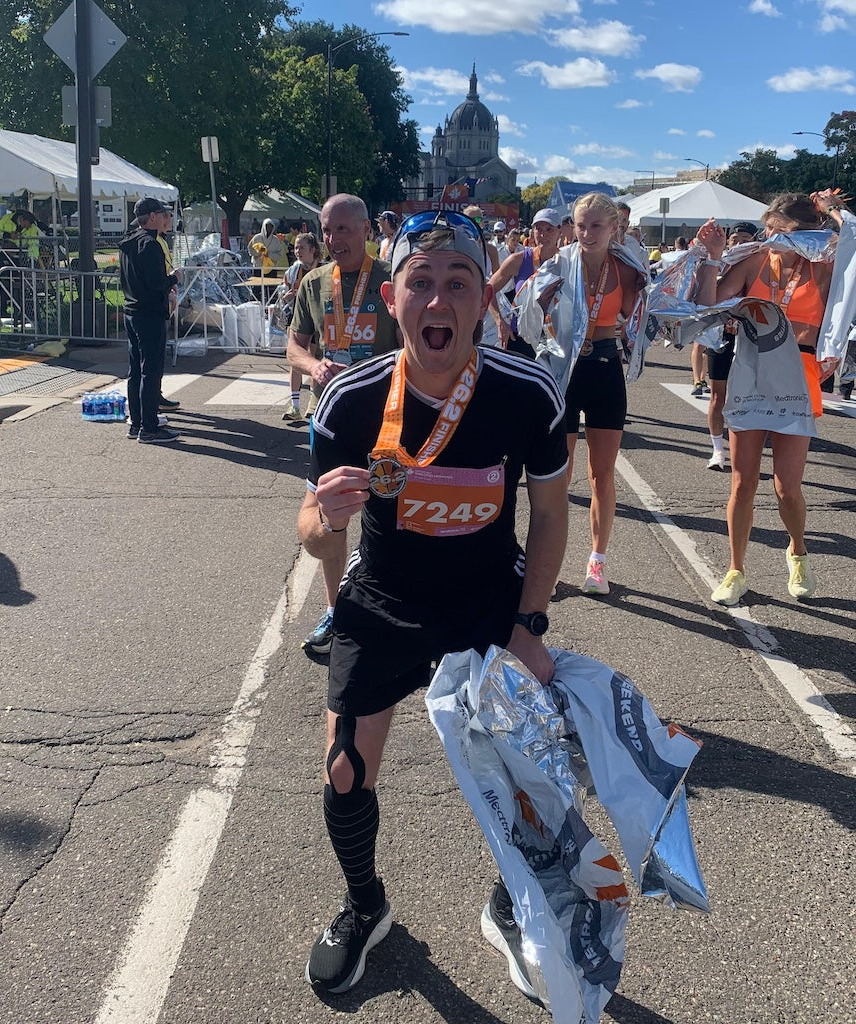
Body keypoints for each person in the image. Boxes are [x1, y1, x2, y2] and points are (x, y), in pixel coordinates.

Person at [298, 209, 568, 997]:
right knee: (345, 771)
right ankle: (364, 906)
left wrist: (529, 624)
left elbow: (551, 514)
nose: (439, 301)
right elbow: (313, 532)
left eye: (458, 284)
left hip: (489, 599)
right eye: (422, 283)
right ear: (393, 297)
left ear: (483, 300)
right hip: (383, 596)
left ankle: (511, 908)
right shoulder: (349, 400)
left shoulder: (528, 393)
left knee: (527, 778)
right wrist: (326, 521)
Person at [695, 191, 847, 605]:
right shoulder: (755, 260)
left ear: (807, 234)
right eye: (768, 230)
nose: (771, 238)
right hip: (751, 372)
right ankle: (735, 570)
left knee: (787, 488)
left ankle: (797, 551)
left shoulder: (824, 266)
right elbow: (710, 305)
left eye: (781, 231)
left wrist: (831, 210)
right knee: (742, 482)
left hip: (799, 376)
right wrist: (711, 257)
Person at [287, 194, 400, 654]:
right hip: (330, 418)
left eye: (343, 230)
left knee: (393, 517)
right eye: (327, 231)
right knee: (331, 518)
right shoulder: (314, 283)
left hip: (389, 419)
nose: (334, 240)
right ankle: (337, 610)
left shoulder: (392, 280)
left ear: (367, 229)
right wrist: (312, 366)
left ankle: (398, 607)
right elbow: (294, 348)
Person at [521, 193, 647, 595]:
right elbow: (525, 323)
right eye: (580, 226)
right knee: (557, 476)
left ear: (614, 228)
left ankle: (597, 561)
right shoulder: (557, 265)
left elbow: (644, 318)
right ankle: (548, 564)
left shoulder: (627, 270)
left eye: (596, 226)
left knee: (601, 475)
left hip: (606, 368)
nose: (587, 234)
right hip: (564, 372)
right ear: (570, 228)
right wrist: (537, 301)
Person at [118, 197, 182, 444]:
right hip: (149, 312)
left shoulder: (129, 242)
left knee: (136, 371)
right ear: (153, 217)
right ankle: (149, 427)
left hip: (131, 310)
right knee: (150, 371)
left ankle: (136, 422)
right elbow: (157, 283)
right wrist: (174, 278)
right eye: (162, 213)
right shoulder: (151, 244)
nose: (165, 217)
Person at [705, 221, 758, 470]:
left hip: (750, 338)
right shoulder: (721, 263)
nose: (739, 243)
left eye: (745, 238)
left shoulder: (760, 265)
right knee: (718, 395)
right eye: (735, 238)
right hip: (721, 336)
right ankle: (717, 450)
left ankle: (745, 452)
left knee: (747, 397)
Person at [488, 207, 562, 356]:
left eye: (549, 229)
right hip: (521, 337)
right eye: (538, 229)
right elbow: (488, 290)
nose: (543, 234)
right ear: (532, 231)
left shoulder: (567, 262)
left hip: (555, 341)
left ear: (560, 231)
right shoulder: (519, 260)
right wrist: (499, 321)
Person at [279, 232, 324, 422]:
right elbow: (283, 291)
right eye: (296, 247)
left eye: (301, 248)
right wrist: (286, 296)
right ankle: (294, 406)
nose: (297, 251)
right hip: (297, 318)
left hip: (318, 319)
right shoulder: (293, 271)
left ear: (313, 250)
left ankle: (314, 405)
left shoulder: (325, 269)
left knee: (314, 360)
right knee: (296, 359)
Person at [0, 208, 41, 319]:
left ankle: (24, 311)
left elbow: (34, 244)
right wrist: (8, 236)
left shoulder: (32, 227)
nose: (27, 227)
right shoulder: (6, 219)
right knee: (1, 280)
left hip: (20, 257)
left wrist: (32, 259)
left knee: (20, 284)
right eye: (26, 224)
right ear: (21, 219)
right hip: (5, 255)